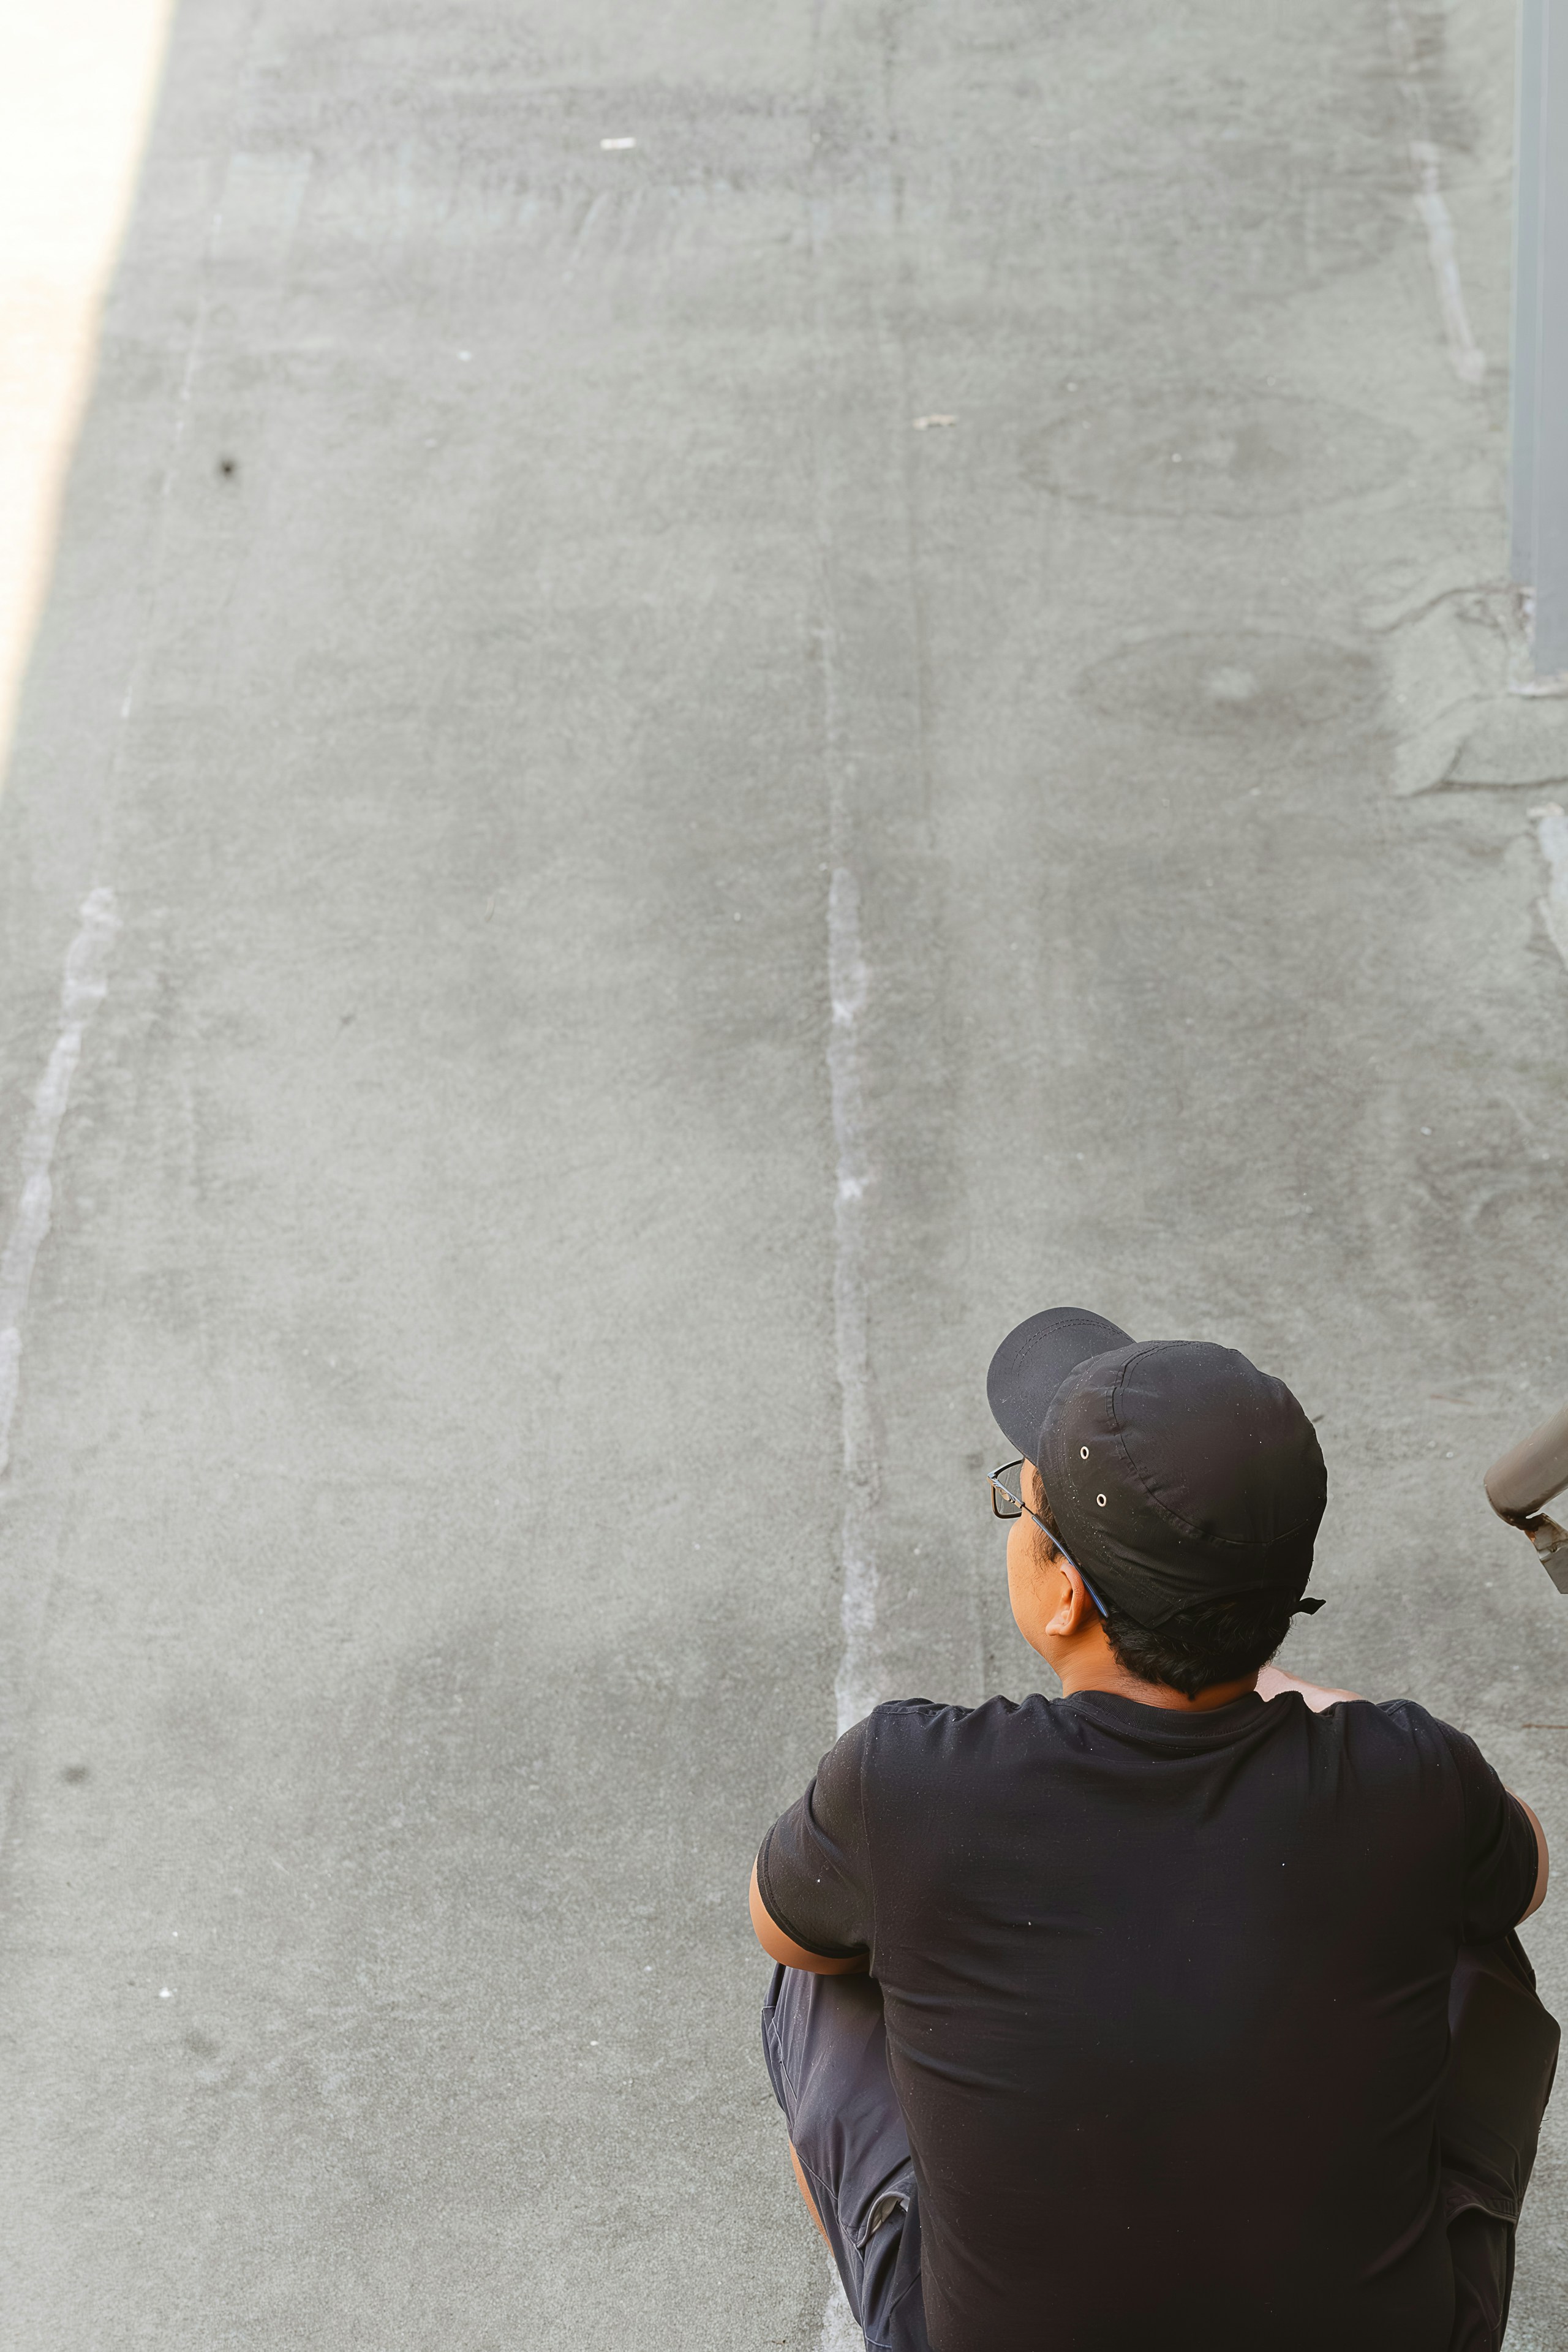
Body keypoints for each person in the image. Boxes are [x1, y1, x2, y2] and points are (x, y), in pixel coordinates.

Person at [750, 1308, 1558, 2352]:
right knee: (1474, 1914)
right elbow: (1529, 1869)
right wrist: (1256, 1675)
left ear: (1066, 1596)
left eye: (1018, 1507)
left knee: (822, 1958)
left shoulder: (907, 1781)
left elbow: (781, 1929)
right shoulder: (1411, 1775)